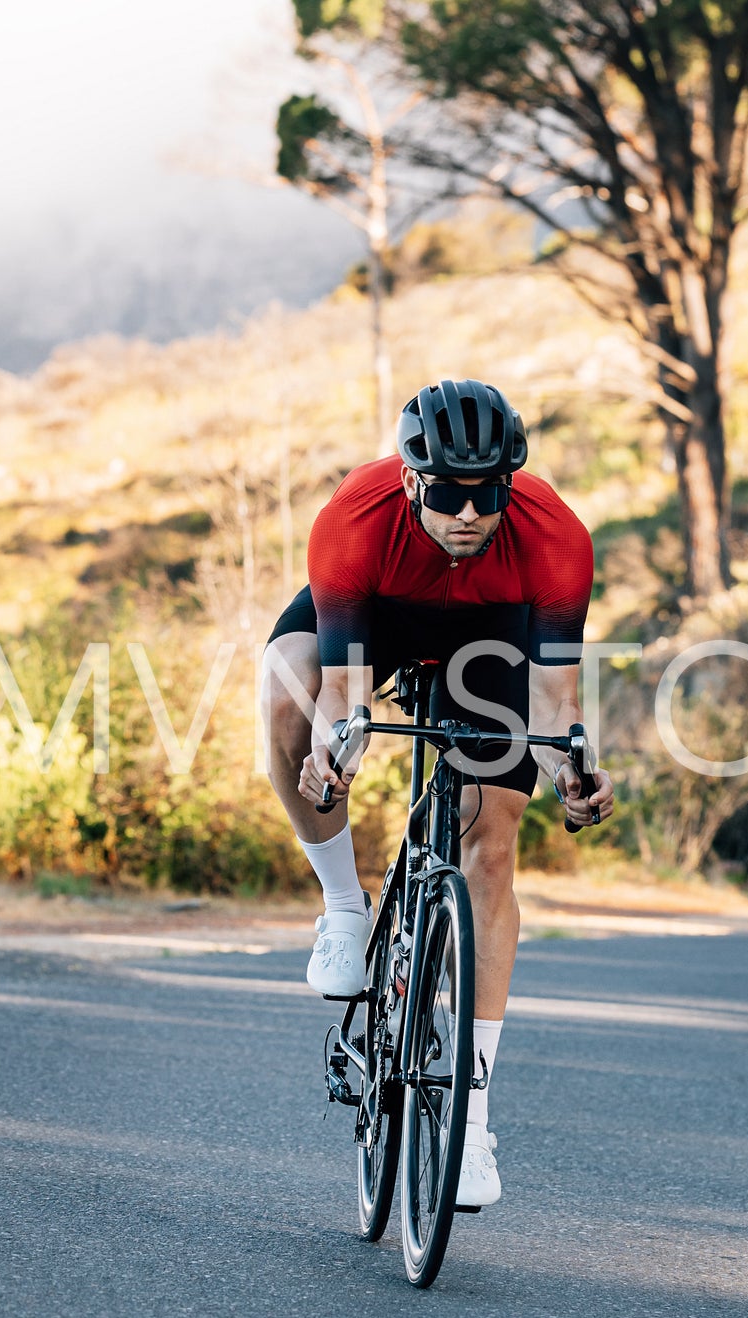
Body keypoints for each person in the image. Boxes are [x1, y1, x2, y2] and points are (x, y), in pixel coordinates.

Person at [260, 378, 614, 1209]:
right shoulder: (355, 516)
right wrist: (330, 751)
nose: (467, 512)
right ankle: (345, 907)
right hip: (380, 613)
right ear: (412, 479)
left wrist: (573, 772)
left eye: (486, 493)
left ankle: (474, 1116)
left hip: (492, 633)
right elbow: (341, 694)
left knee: (491, 846)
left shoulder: (552, 534)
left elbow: (557, 707)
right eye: (448, 493)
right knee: (285, 693)